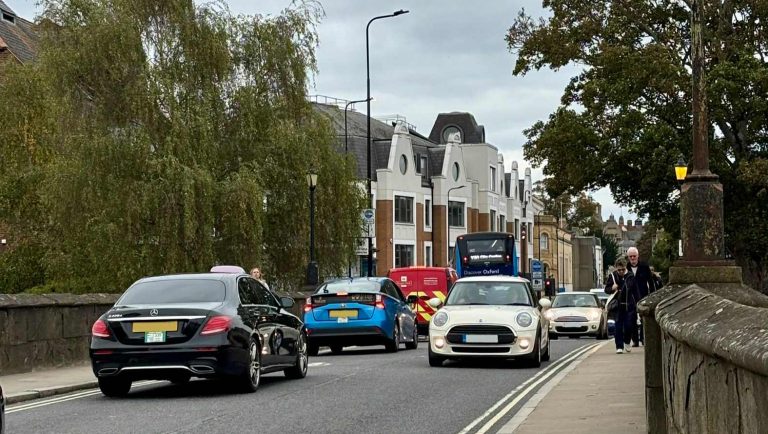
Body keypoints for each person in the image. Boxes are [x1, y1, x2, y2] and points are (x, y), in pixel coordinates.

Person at [605, 258, 639, 354]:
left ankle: (627, 341)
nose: (620, 272)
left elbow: (635, 291)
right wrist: (612, 288)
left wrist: (638, 302)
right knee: (618, 326)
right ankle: (619, 346)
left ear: (625, 268)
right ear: (616, 268)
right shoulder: (613, 276)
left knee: (628, 325)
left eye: (622, 269)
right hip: (618, 305)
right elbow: (606, 290)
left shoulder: (630, 276)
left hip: (629, 305)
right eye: (618, 270)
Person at [627, 247, 656, 346]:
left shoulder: (644, 266)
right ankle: (635, 340)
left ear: (638, 256)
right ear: (628, 257)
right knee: (632, 320)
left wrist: (652, 295)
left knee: (644, 319)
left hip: (643, 296)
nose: (632, 258)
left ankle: (643, 338)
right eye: (630, 256)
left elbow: (650, 282)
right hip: (630, 298)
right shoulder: (626, 268)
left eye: (634, 256)